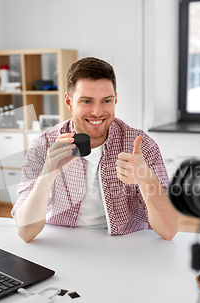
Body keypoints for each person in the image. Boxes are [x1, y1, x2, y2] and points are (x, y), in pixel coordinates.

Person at [11, 57, 178, 242]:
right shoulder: (43, 145)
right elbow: (25, 233)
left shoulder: (141, 145)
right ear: (69, 102)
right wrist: (46, 177)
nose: (97, 112)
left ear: (116, 99)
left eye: (106, 100)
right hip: (62, 244)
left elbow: (169, 230)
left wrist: (146, 179)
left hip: (126, 246)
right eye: (87, 101)